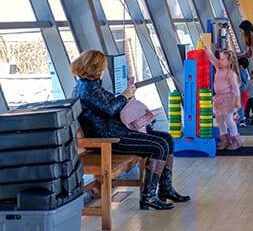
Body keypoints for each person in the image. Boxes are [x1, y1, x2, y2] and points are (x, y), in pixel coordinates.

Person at [71, 50, 189, 210]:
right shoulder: (87, 89)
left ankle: (165, 188)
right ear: (96, 68)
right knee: (159, 145)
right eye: (103, 67)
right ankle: (148, 196)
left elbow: (109, 104)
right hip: (110, 139)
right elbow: (108, 110)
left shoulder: (89, 86)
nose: (104, 70)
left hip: (115, 133)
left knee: (166, 138)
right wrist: (125, 96)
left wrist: (127, 94)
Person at [204, 46, 244, 151]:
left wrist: (237, 101)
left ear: (230, 62)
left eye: (222, 59)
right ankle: (225, 140)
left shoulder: (231, 73)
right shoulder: (219, 67)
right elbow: (213, 58)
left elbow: (236, 89)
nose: (220, 61)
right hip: (218, 98)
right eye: (220, 58)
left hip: (227, 98)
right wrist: (206, 49)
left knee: (228, 119)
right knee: (219, 118)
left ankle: (236, 140)